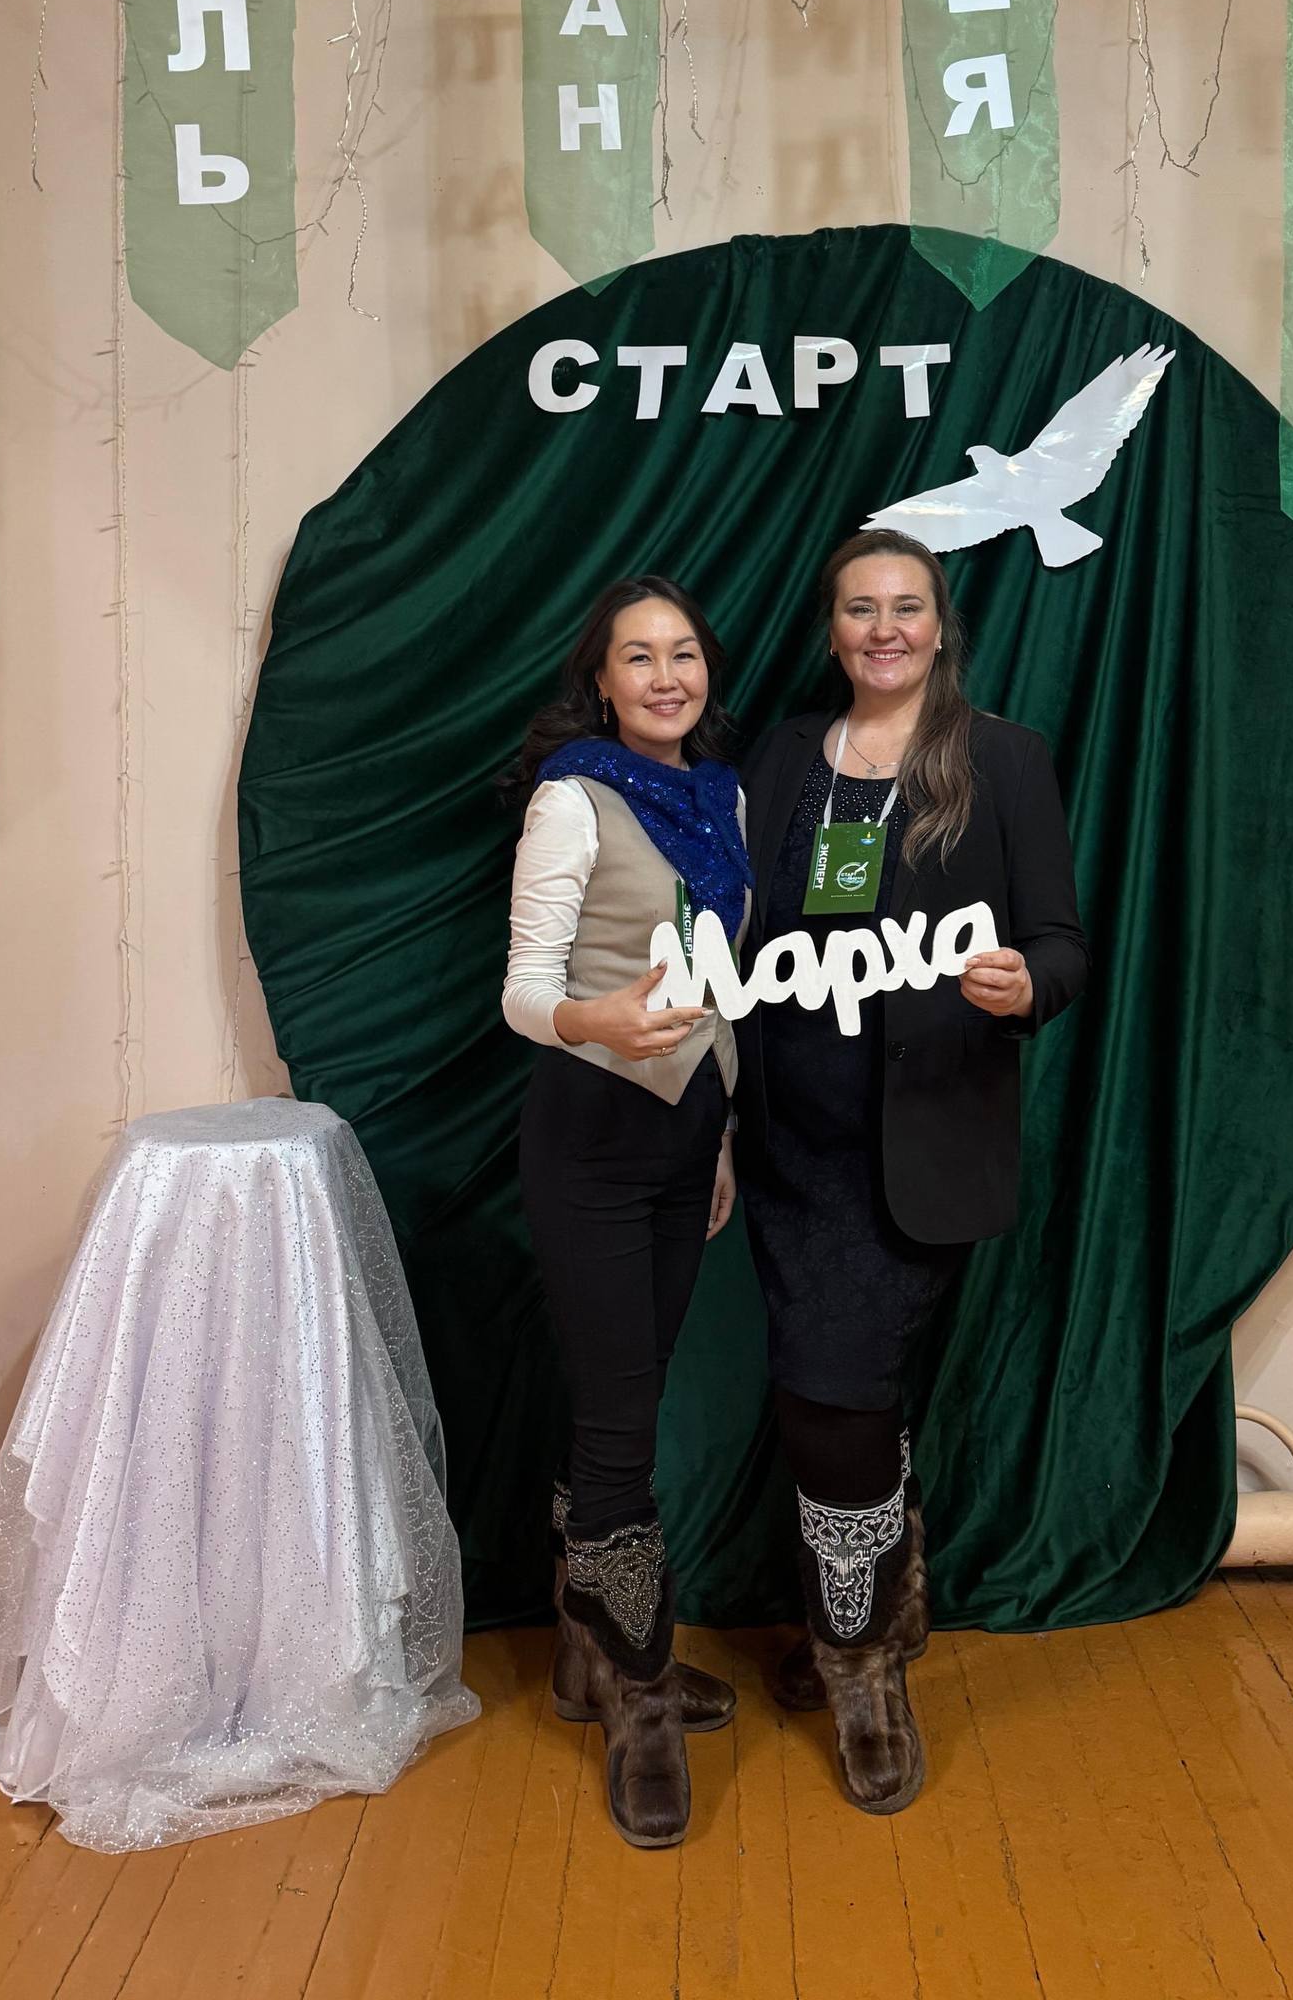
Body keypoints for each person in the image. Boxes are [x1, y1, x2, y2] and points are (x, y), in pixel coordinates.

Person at [737, 528, 1090, 1815]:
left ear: (941, 626)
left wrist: (1026, 983)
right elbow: (732, 928)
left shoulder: (1003, 759)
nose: (883, 628)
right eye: (859, 607)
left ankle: (861, 1663)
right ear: (831, 629)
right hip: (786, 1144)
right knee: (842, 1398)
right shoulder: (781, 756)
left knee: (834, 1400)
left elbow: (1062, 941)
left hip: (918, 1143)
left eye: (906, 606)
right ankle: (887, 1603)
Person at [501, 575, 750, 1850]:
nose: (665, 676)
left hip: (687, 1139)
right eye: (637, 656)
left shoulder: (726, 799)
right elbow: (523, 990)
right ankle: (640, 1688)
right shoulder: (573, 797)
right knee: (618, 1427)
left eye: (683, 653)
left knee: (634, 1393)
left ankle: (581, 1655)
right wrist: (592, 1019)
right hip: (591, 1140)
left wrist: (723, 1133)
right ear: (600, 680)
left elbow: (727, 986)